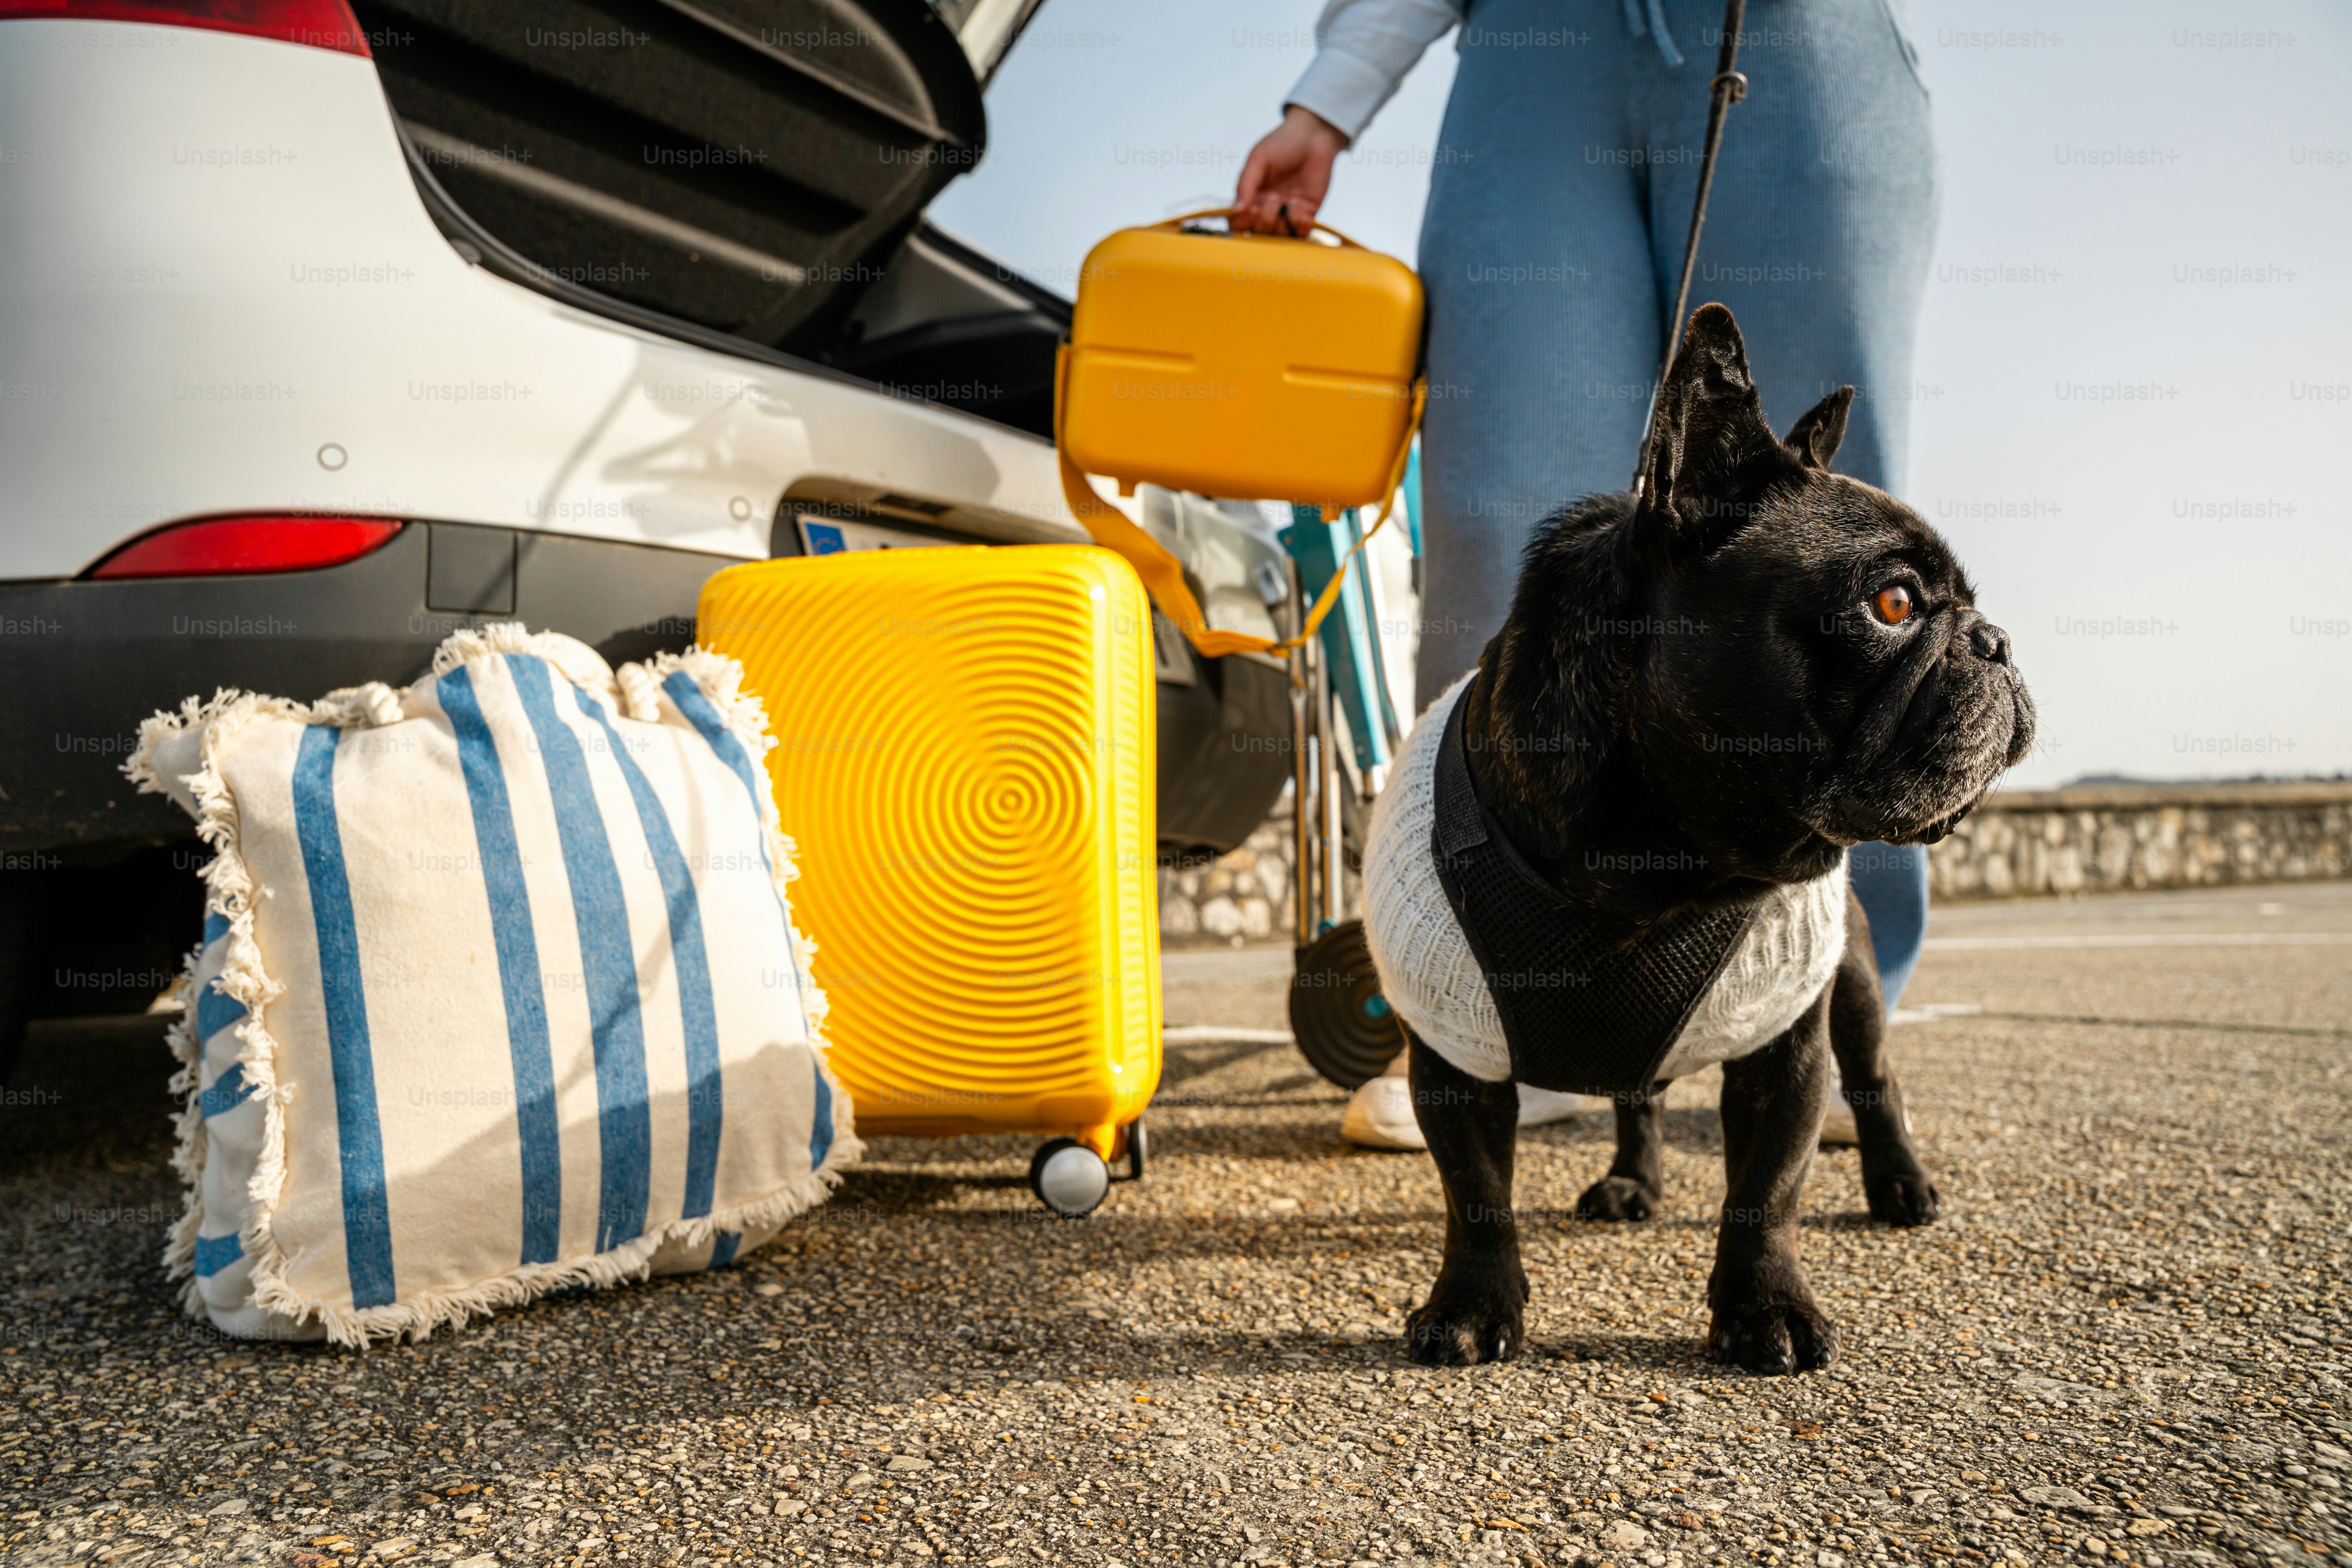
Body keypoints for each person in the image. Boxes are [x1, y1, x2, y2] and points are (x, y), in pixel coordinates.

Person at [1233, 0, 1939, 1149]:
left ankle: (1811, 1011)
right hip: (1529, 49)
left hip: (1799, 35)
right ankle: (1508, 1019)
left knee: (1821, 536)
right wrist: (1333, 92)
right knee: (1500, 516)